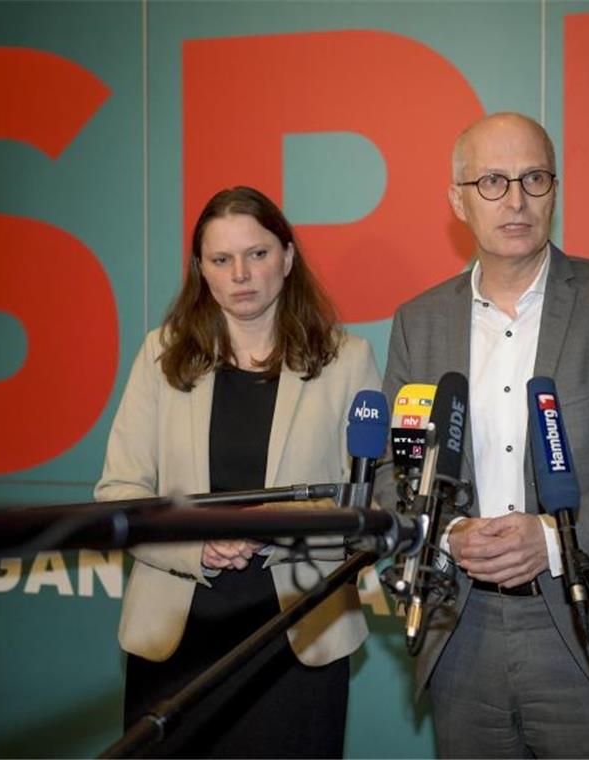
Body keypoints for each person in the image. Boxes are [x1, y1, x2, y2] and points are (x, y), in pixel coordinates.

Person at [375, 113, 589, 758]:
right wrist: (449, 535)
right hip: (462, 632)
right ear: (458, 200)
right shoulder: (418, 323)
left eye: (534, 178)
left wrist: (555, 539)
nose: (516, 200)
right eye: (493, 181)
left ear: (554, 189)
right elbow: (397, 473)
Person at [95, 186, 380, 757]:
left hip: (297, 636)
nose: (241, 274)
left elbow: (372, 504)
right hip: (177, 641)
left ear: (288, 258)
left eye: (258, 253)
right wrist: (196, 543)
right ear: (201, 270)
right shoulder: (161, 355)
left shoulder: (347, 360)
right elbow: (118, 494)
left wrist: (275, 527)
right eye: (221, 260)